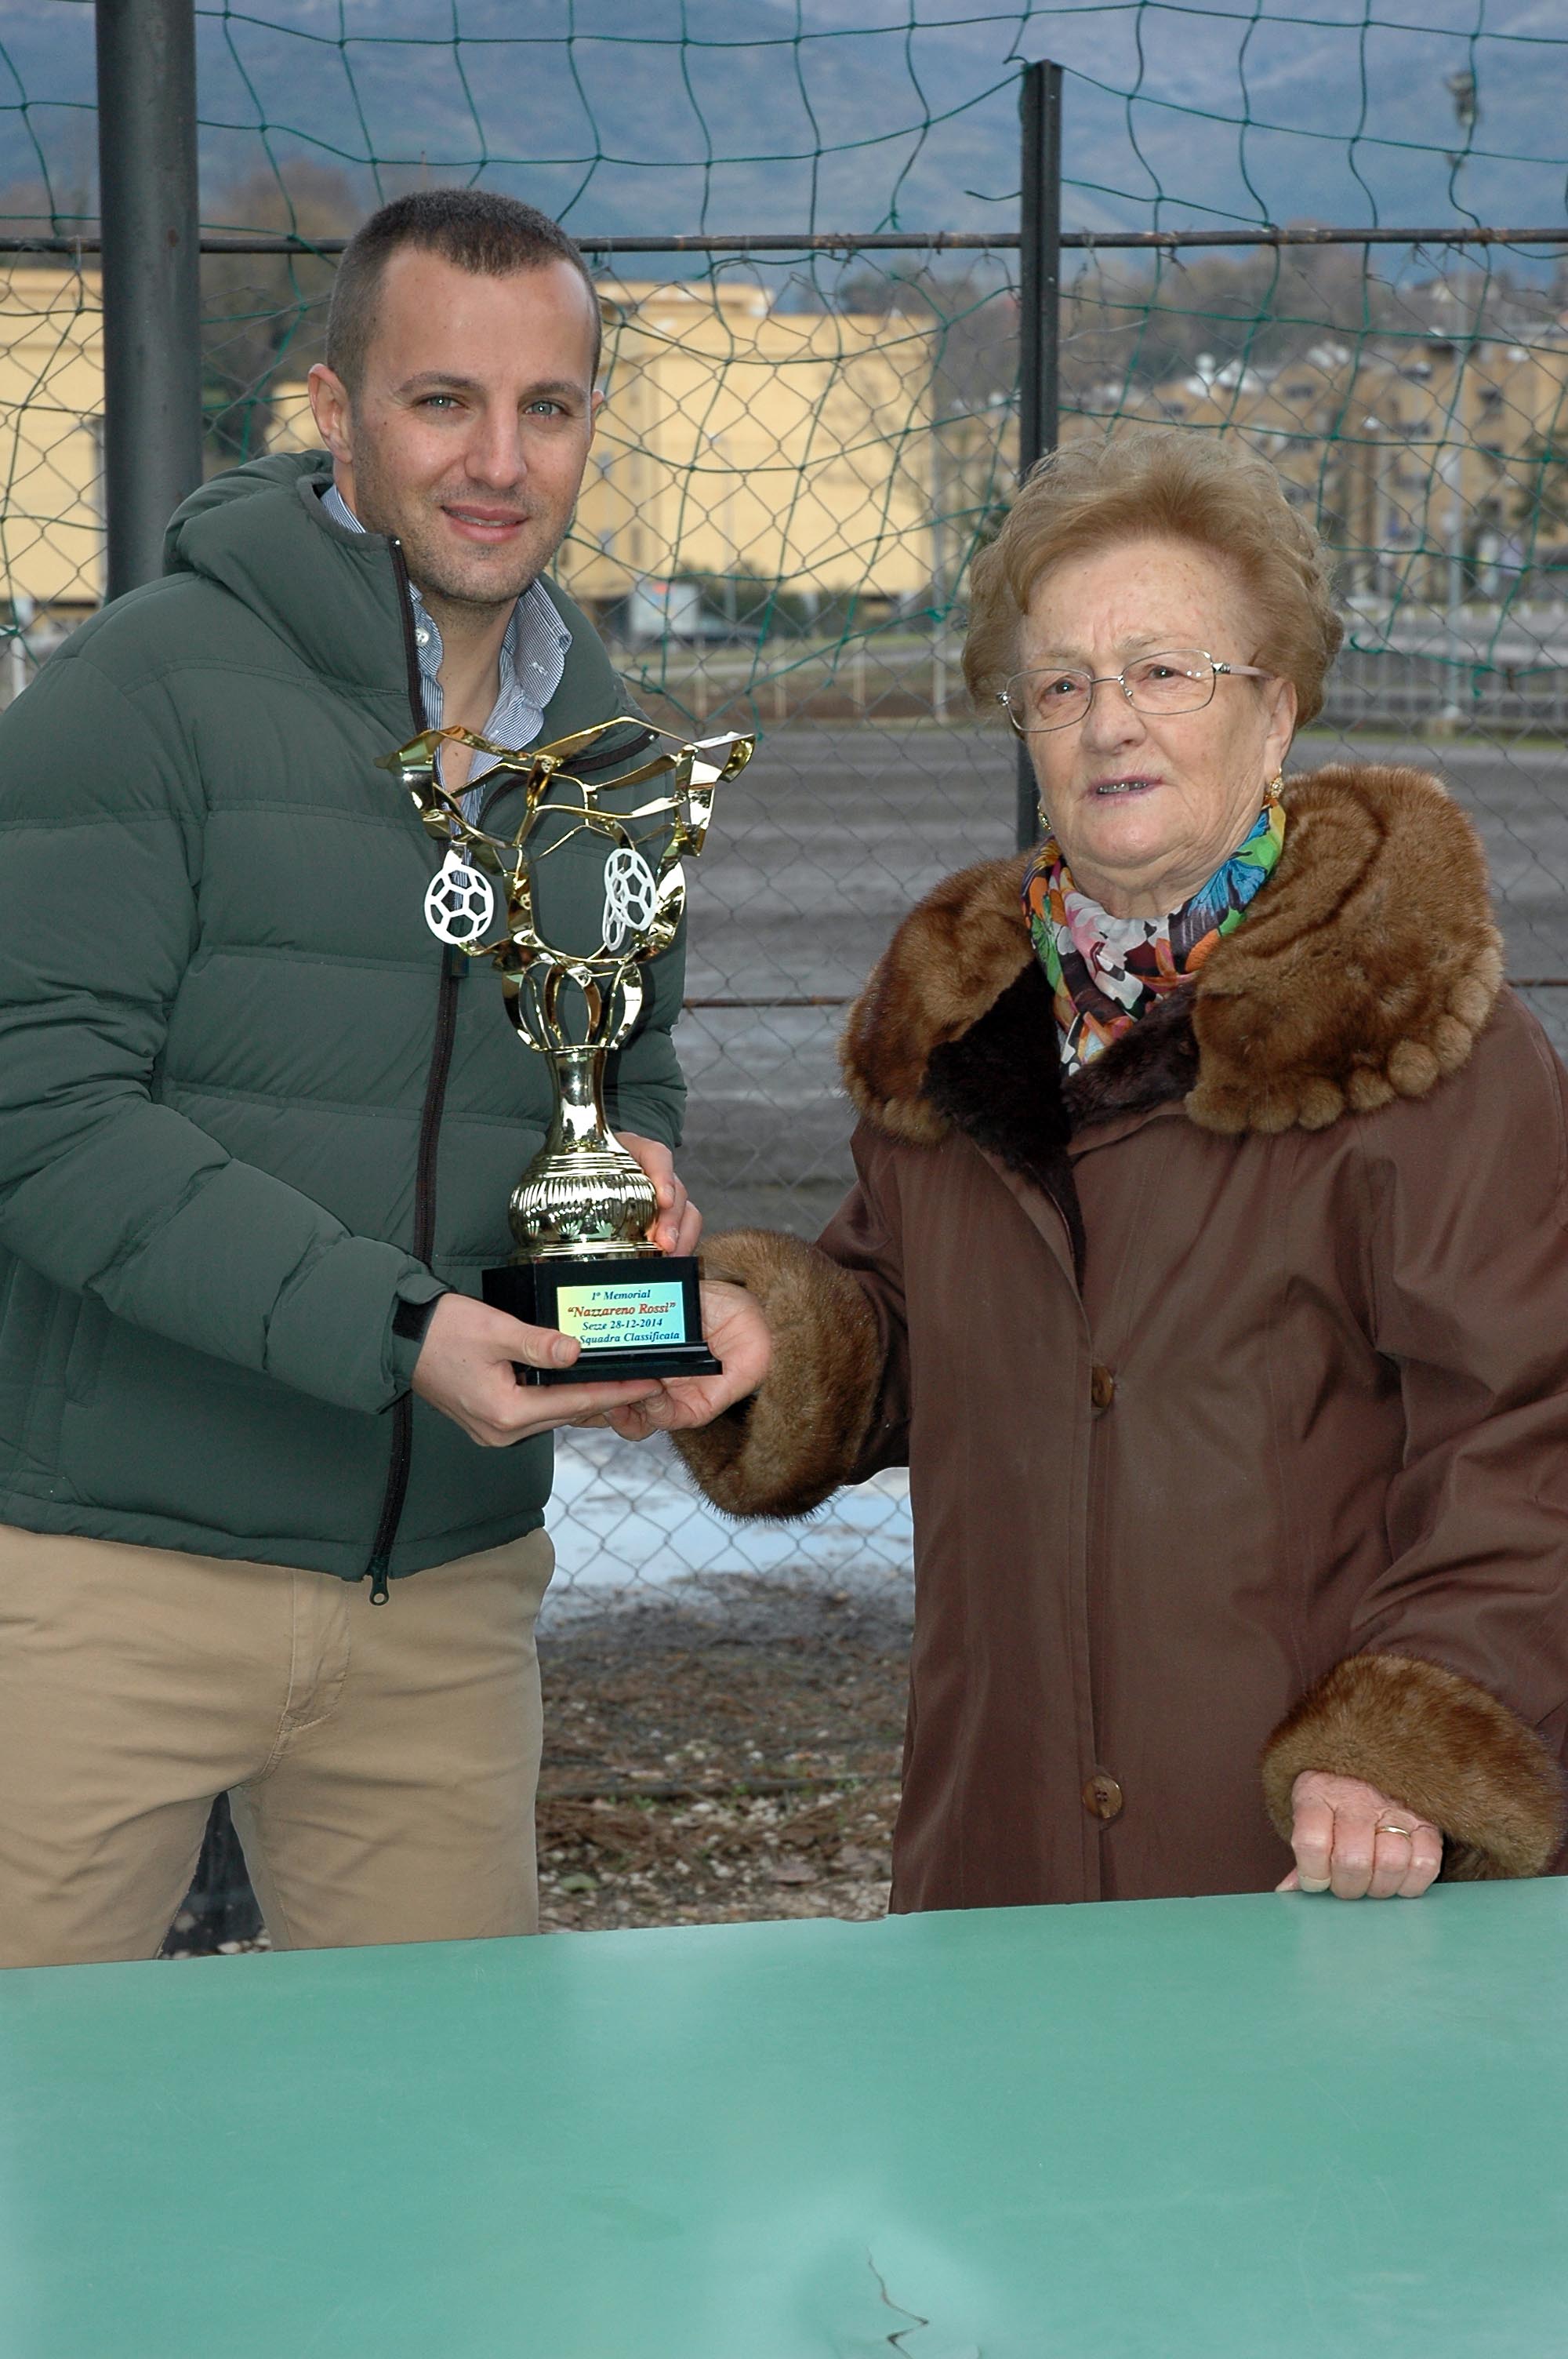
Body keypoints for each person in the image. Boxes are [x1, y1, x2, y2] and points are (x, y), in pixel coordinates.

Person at [634, 429, 1568, 1910]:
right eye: (1061, 684)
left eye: (1165, 670)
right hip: (997, 1856)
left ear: (1278, 712)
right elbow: (904, 1327)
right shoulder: (957, 1029)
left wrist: (1413, 1738)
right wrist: (779, 1336)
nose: (1108, 723)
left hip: (1315, 1870)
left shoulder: (1423, 1040)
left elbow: (1530, 1433)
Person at [0, 191, 699, 1968]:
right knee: (41, 2157)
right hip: (107, 1577)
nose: (498, 458)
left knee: (444, 2160)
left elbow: (632, 1062)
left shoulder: (613, 748)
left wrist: (640, 1197)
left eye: (547, 406)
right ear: (337, 410)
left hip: (445, 1598)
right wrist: (398, 1332)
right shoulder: (146, 688)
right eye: (440, 400)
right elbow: (40, 1109)